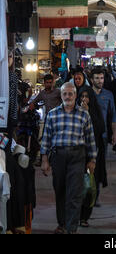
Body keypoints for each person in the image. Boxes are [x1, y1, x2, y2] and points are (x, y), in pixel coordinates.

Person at [40, 82, 97, 235]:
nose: (68, 96)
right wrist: (44, 160)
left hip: (77, 157)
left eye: (71, 94)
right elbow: (46, 138)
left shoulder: (84, 114)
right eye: (65, 94)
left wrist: (92, 160)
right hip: (58, 156)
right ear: (61, 95)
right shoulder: (52, 114)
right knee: (60, 191)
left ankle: (71, 228)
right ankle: (62, 224)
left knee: (74, 193)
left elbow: (90, 139)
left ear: (75, 96)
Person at [78, 86, 107, 228]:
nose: (84, 99)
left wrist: (88, 113)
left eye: (86, 96)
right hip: (77, 155)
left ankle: (85, 216)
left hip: (92, 154)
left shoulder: (94, 110)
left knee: (89, 186)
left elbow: (100, 128)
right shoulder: (74, 112)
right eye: (82, 96)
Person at [90, 67, 116, 152]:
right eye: (97, 78)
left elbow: (113, 115)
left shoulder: (108, 95)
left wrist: (115, 134)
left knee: (102, 162)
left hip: (103, 134)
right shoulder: (87, 93)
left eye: (101, 78)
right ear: (92, 80)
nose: (100, 81)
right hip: (89, 134)